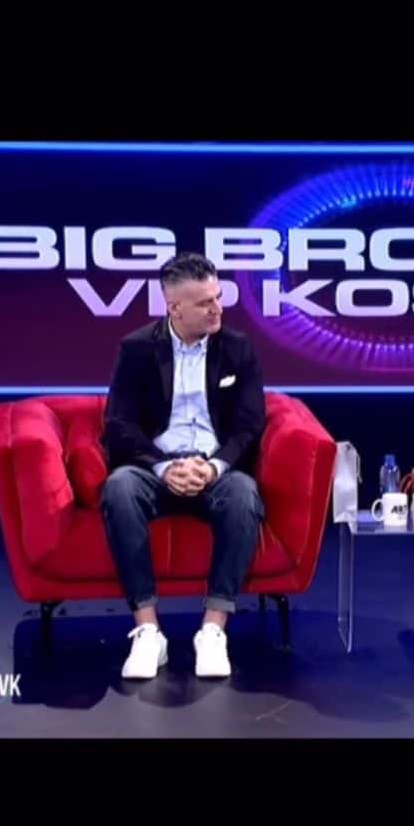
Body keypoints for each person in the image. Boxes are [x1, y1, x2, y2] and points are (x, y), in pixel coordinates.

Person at [101, 252, 266, 679]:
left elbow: (249, 426)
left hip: (215, 471)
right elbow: (118, 424)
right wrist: (163, 467)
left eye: (218, 297)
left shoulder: (237, 348)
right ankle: (148, 632)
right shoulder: (137, 349)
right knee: (119, 487)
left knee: (243, 493)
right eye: (204, 302)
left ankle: (213, 630)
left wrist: (213, 467)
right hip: (156, 470)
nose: (217, 308)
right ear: (173, 307)